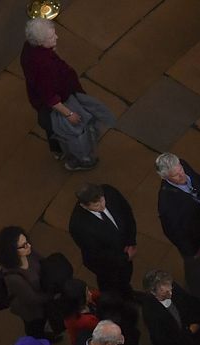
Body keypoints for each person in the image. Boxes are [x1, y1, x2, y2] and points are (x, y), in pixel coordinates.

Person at [22, 18, 111, 170]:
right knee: (74, 133)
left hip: (44, 101)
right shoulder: (43, 64)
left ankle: (56, 149)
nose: (56, 37)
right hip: (59, 102)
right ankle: (79, 160)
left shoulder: (30, 48)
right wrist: (69, 114)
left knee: (51, 127)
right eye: (51, 37)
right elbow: (50, 97)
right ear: (39, 41)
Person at [153, 156, 200, 299]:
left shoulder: (182, 165)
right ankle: (198, 298)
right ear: (165, 178)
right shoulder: (167, 204)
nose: (182, 175)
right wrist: (192, 251)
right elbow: (173, 232)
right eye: (176, 175)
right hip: (195, 243)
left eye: (180, 169)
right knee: (195, 271)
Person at [68, 183, 138, 299]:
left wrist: (131, 241)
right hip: (106, 265)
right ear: (84, 206)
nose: (102, 206)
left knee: (125, 276)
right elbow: (97, 253)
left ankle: (127, 293)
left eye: (102, 200)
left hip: (124, 249)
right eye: (96, 205)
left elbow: (127, 213)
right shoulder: (78, 226)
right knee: (112, 285)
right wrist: (124, 257)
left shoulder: (109, 192)